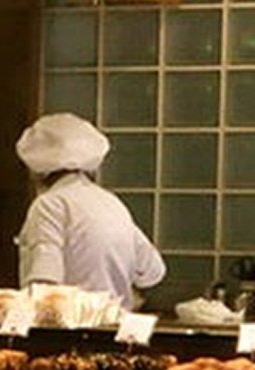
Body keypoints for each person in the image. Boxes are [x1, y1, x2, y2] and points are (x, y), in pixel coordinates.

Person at [14, 111, 166, 303]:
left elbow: (44, 282)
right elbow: (153, 270)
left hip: (69, 327)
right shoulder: (111, 202)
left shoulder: (49, 205)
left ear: (36, 172)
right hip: (116, 324)